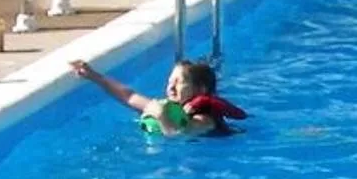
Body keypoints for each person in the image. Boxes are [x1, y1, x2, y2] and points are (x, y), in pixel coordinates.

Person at [72, 57, 246, 138]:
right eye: (170, 81)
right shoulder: (166, 106)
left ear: (200, 89)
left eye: (179, 82)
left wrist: (162, 116)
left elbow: (179, 134)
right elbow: (129, 96)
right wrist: (94, 76)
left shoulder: (206, 118)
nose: (170, 86)